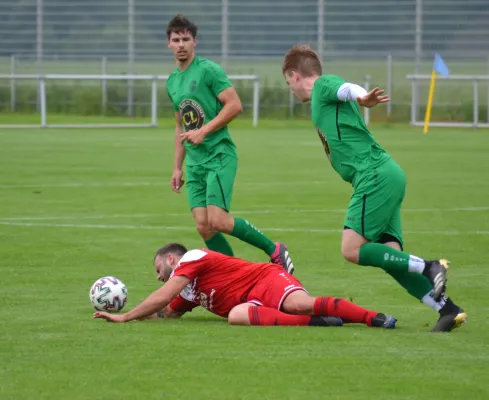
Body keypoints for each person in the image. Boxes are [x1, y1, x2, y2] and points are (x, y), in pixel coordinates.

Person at [281, 44, 466, 332]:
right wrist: (359, 97)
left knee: (351, 249)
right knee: (391, 256)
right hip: (387, 174)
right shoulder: (323, 98)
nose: (291, 90)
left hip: (374, 176)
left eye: (288, 83)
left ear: (294, 75)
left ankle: (430, 267)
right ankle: (447, 310)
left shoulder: (321, 86)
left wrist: (362, 97)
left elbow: (344, 88)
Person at [164, 14, 293, 273]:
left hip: (219, 155)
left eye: (186, 39)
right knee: (203, 224)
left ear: (194, 41)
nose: (181, 44)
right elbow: (181, 125)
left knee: (218, 220)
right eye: (176, 40)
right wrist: (178, 167)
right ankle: (232, 274)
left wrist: (204, 130)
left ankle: (274, 249)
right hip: (196, 163)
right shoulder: (172, 82)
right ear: (168, 43)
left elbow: (235, 105)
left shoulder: (208, 70)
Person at [94, 243, 397, 330]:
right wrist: (130, 314)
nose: (159, 277)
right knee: (236, 316)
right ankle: (317, 322)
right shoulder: (188, 290)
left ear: (171, 258)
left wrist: (125, 317)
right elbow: (166, 312)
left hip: (265, 279)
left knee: (299, 303)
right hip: (249, 301)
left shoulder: (195, 257)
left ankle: (372, 317)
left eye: (159, 269)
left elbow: (163, 295)